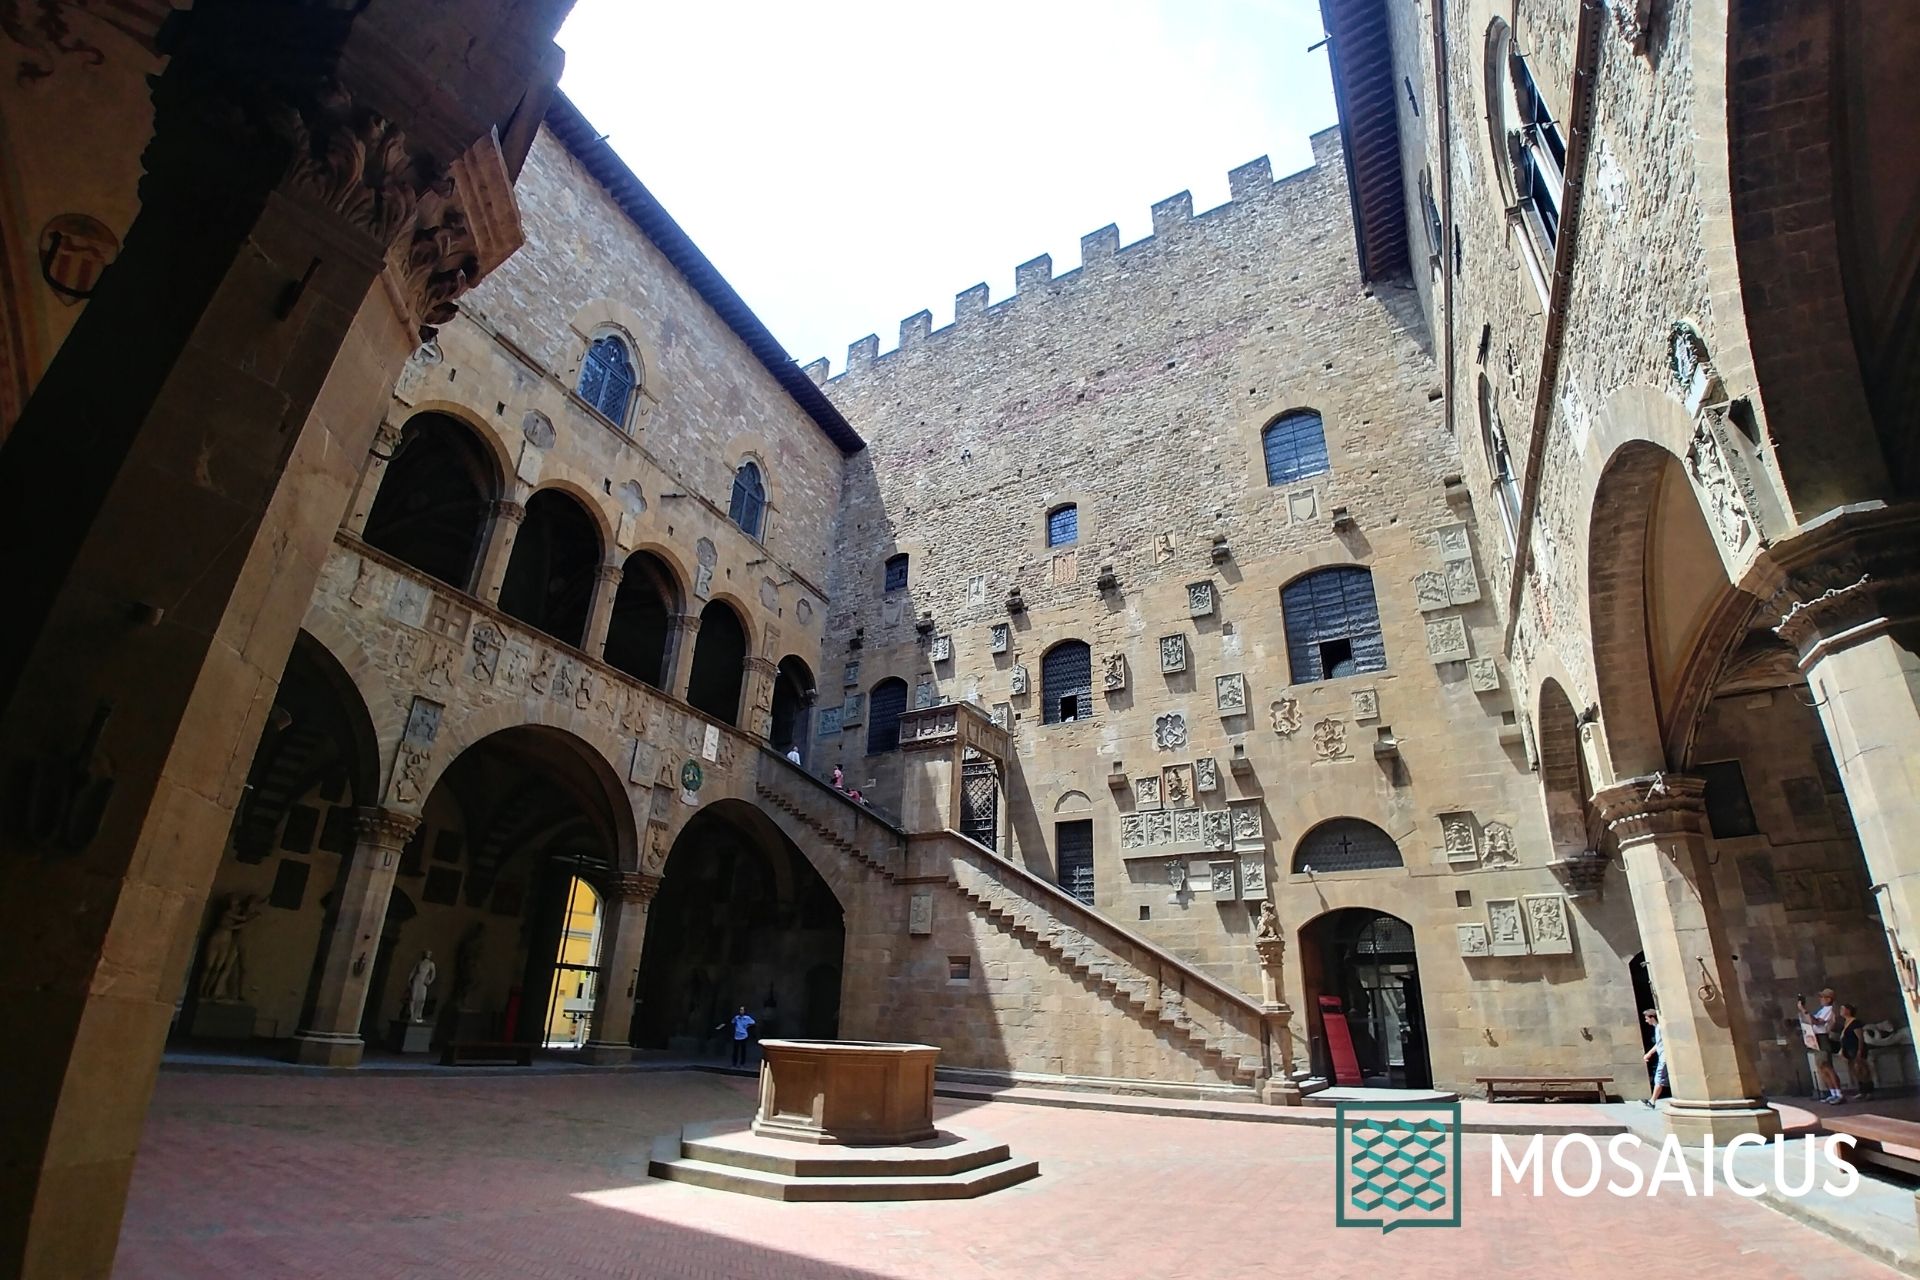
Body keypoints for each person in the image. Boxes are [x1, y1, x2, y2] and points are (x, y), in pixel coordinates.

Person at [1798, 989, 1844, 1104]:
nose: (1820, 999)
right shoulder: (1822, 1010)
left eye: (1823, 997)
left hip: (1822, 1038)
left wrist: (1804, 1010)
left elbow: (1818, 1022)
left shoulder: (1829, 1010)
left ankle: (1839, 1093)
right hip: (1816, 1038)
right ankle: (1832, 1092)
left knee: (1827, 1066)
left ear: (1828, 999)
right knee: (1821, 1068)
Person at [1836, 1002, 1874, 1101]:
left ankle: (1869, 1091)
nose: (1840, 1011)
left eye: (1842, 1009)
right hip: (1848, 1049)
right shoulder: (1845, 1022)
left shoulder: (1855, 1022)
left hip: (1855, 1048)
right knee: (1854, 1071)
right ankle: (1862, 1090)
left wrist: (1859, 1050)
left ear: (1848, 1011)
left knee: (1862, 1070)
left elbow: (1860, 1038)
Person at [1641, 1008, 1668, 1108]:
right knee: (1660, 1078)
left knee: (1659, 1077)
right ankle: (1652, 1100)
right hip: (1662, 1055)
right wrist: (1649, 1053)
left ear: (1652, 1017)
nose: (1646, 1020)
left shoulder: (1660, 1028)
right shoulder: (1657, 1028)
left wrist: (1649, 1054)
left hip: (1664, 1057)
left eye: (1646, 1018)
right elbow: (1658, 1044)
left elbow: (1663, 1043)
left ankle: (1652, 1101)